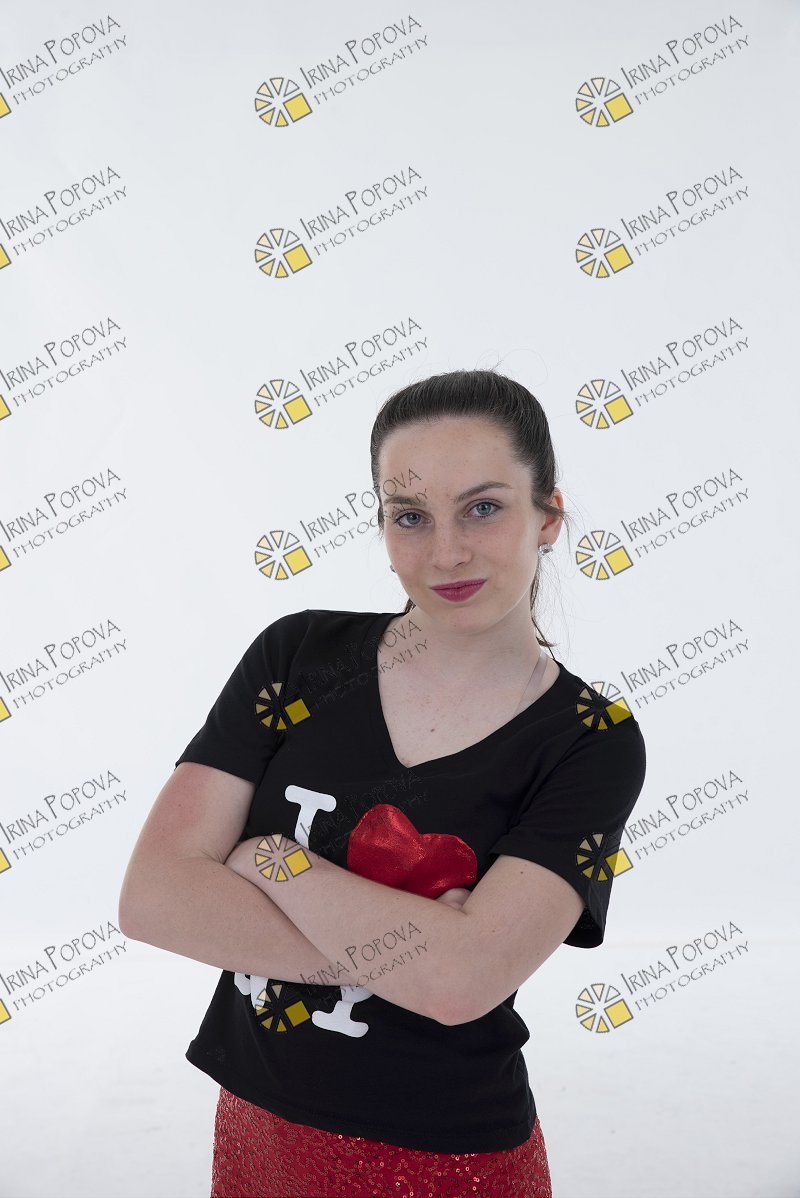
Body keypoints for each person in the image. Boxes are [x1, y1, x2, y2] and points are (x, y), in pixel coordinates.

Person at [118, 368, 647, 1198]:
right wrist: (421, 953)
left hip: (451, 1159)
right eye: (410, 516)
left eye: (483, 508)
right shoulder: (296, 658)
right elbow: (152, 899)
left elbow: (462, 986)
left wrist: (271, 865)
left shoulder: (590, 739)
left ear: (548, 517)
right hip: (258, 1134)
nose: (446, 552)